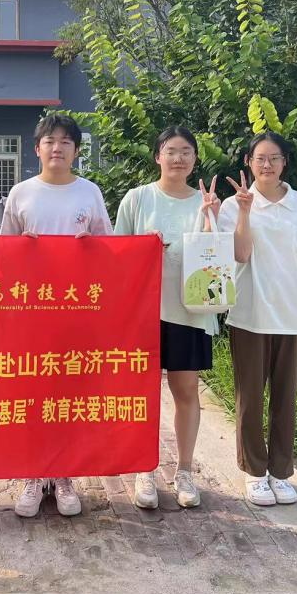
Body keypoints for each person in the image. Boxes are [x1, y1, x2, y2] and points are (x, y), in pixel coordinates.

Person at [0, 113, 113, 517]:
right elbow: (2, 254)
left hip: (76, 312)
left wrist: (91, 247)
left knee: (69, 394)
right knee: (32, 393)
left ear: (77, 150)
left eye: (66, 141)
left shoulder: (89, 193)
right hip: (31, 312)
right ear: (37, 148)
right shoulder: (21, 193)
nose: (57, 148)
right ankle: (33, 474)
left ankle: (64, 475)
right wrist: (22, 248)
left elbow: (111, 250)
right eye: (50, 141)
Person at [215, 131, 297, 507]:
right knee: (249, 397)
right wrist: (245, 211)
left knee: (286, 399)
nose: (267, 165)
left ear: (285, 163)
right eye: (259, 158)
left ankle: (281, 472)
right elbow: (240, 255)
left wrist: (289, 287)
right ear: (248, 162)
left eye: (274, 158)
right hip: (250, 315)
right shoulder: (233, 205)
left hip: (294, 318)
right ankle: (254, 471)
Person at [113, 126, 220, 509]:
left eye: (186, 151)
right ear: (158, 156)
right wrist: (144, 248)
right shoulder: (138, 198)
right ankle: (145, 469)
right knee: (143, 393)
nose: (178, 158)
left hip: (190, 312)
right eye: (171, 151)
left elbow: (218, 258)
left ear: (195, 159)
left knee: (186, 390)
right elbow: (115, 254)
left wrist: (211, 219)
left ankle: (185, 471)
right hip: (143, 313)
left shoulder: (206, 202)